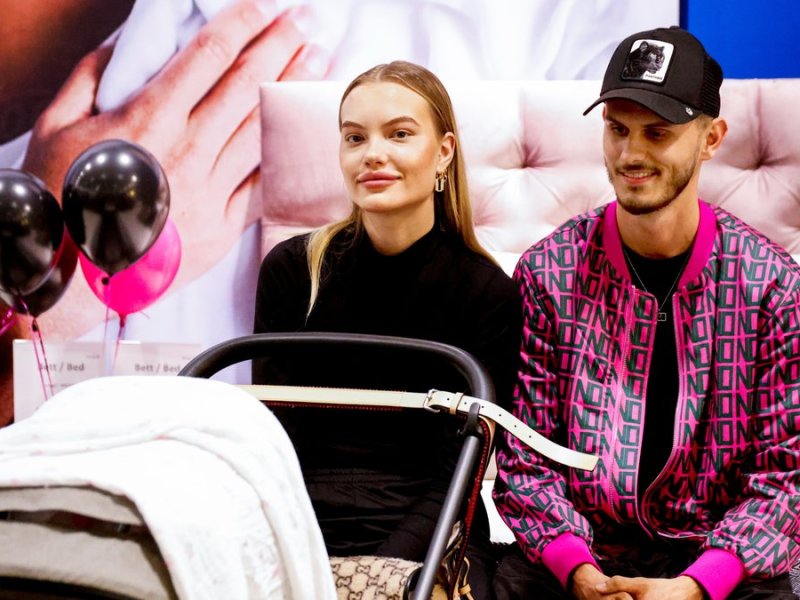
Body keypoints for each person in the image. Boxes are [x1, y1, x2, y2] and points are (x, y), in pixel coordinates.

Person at [493, 26, 800, 600]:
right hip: (579, 560)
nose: (631, 154)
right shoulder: (548, 273)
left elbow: (786, 478)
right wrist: (579, 572)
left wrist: (694, 586)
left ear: (711, 139)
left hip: (720, 562)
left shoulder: (770, 286)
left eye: (657, 133)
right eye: (617, 130)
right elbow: (525, 461)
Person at [252, 60, 521, 598]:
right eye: (355, 137)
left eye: (399, 134)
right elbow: (270, 441)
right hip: (300, 521)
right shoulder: (290, 271)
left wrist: (386, 573)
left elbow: (458, 472)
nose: (372, 153)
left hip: (429, 525)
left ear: (443, 151)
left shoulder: (488, 293)